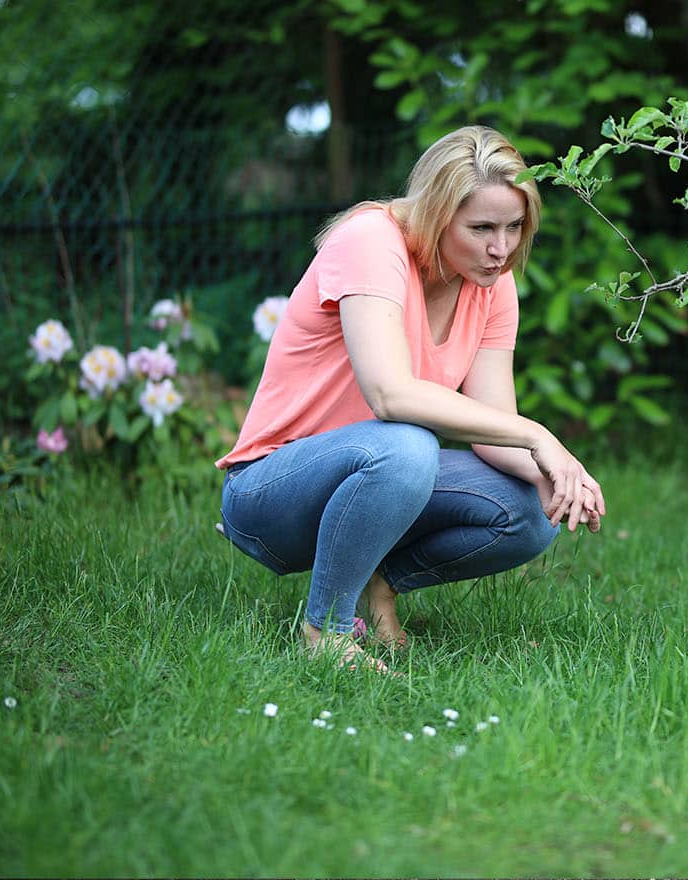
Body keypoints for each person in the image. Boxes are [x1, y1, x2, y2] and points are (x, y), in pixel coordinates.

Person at [215, 125, 605, 674]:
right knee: (406, 446)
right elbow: (388, 394)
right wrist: (537, 435)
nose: (501, 249)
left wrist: (557, 472)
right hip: (271, 491)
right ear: (437, 215)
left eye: (514, 227)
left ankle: (379, 581)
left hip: (380, 475)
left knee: (531, 509)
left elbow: (493, 425)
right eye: (482, 228)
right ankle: (324, 631)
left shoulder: (490, 283)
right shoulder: (370, 241)